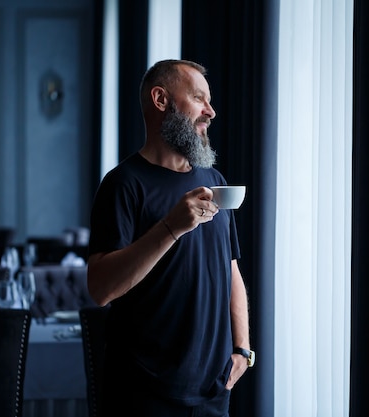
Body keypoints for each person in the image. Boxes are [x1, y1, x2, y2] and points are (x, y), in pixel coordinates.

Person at [87, 59, 254, 417]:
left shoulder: (216, 181)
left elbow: (231, 269)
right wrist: (170, 227)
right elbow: (101, 289)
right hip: (144, 395)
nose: (211, 111)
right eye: (198, 98)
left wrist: (242, 349)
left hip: (213, 390)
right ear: (161, 99)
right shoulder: (122, 185)